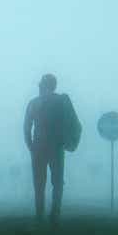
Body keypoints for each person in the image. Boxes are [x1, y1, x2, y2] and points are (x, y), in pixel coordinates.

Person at [23, 74, 80, 224]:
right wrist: (70, 143)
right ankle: (55, 214)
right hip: (56, 146)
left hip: (39, 147)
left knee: (39, 183)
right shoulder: (62, 101)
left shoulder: (33, 103)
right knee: (58, 182)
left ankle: (39, 214)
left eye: (41, 85)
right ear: (54, 85)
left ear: (43, 86)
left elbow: (26, 128)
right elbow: (75, 124)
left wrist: (31, 147)